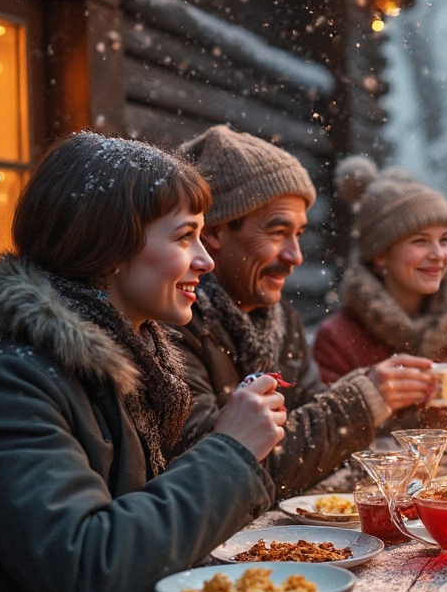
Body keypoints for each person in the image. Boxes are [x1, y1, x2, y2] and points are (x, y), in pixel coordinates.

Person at [0, 132, 286, 592]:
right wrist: (229, 453)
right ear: (109, 251)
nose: (206, 260)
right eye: (185, 238)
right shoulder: (2, 382)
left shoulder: (124, 367)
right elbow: (93, 569)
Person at [172, 126, 415, 497]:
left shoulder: (282, 321)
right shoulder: (175, 326)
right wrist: (364, 400)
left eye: (299, 234)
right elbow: (235, 475)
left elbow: (314, 438)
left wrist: (368, 392)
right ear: (215, 232)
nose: (294, 256)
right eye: (277, 232)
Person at [312, 157, 447, 432]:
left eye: (444, 240)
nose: (438, 255)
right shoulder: (339, 338)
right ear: (380, 256)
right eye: (420, 241)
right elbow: (326, 432)